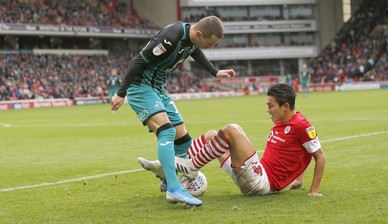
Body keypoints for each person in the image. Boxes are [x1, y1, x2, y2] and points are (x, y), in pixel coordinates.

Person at [110, 16, 235, 206]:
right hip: (141, 87)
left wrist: (214, 72)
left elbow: (196, 52)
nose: (210, 47)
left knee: (184, 140)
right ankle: (174, 189)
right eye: (210, 43)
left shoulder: (192, 39)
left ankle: (168, 180)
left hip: (159, 89)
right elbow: (136, 62)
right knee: (167, 130)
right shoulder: (170, 38)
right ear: (199, 33)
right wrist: (121, 93)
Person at [139, 83, 326, 197]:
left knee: (232, 130)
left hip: (262, 183)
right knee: (213, 135)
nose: (268, 109)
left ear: (286, 107)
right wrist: (298, 179)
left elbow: (319, 156)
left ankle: (189, 167)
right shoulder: (282, 122)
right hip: (255, 173)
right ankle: (169, 169)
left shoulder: (301, 125)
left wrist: (314, 190)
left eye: (271, 106)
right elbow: (299, 153)